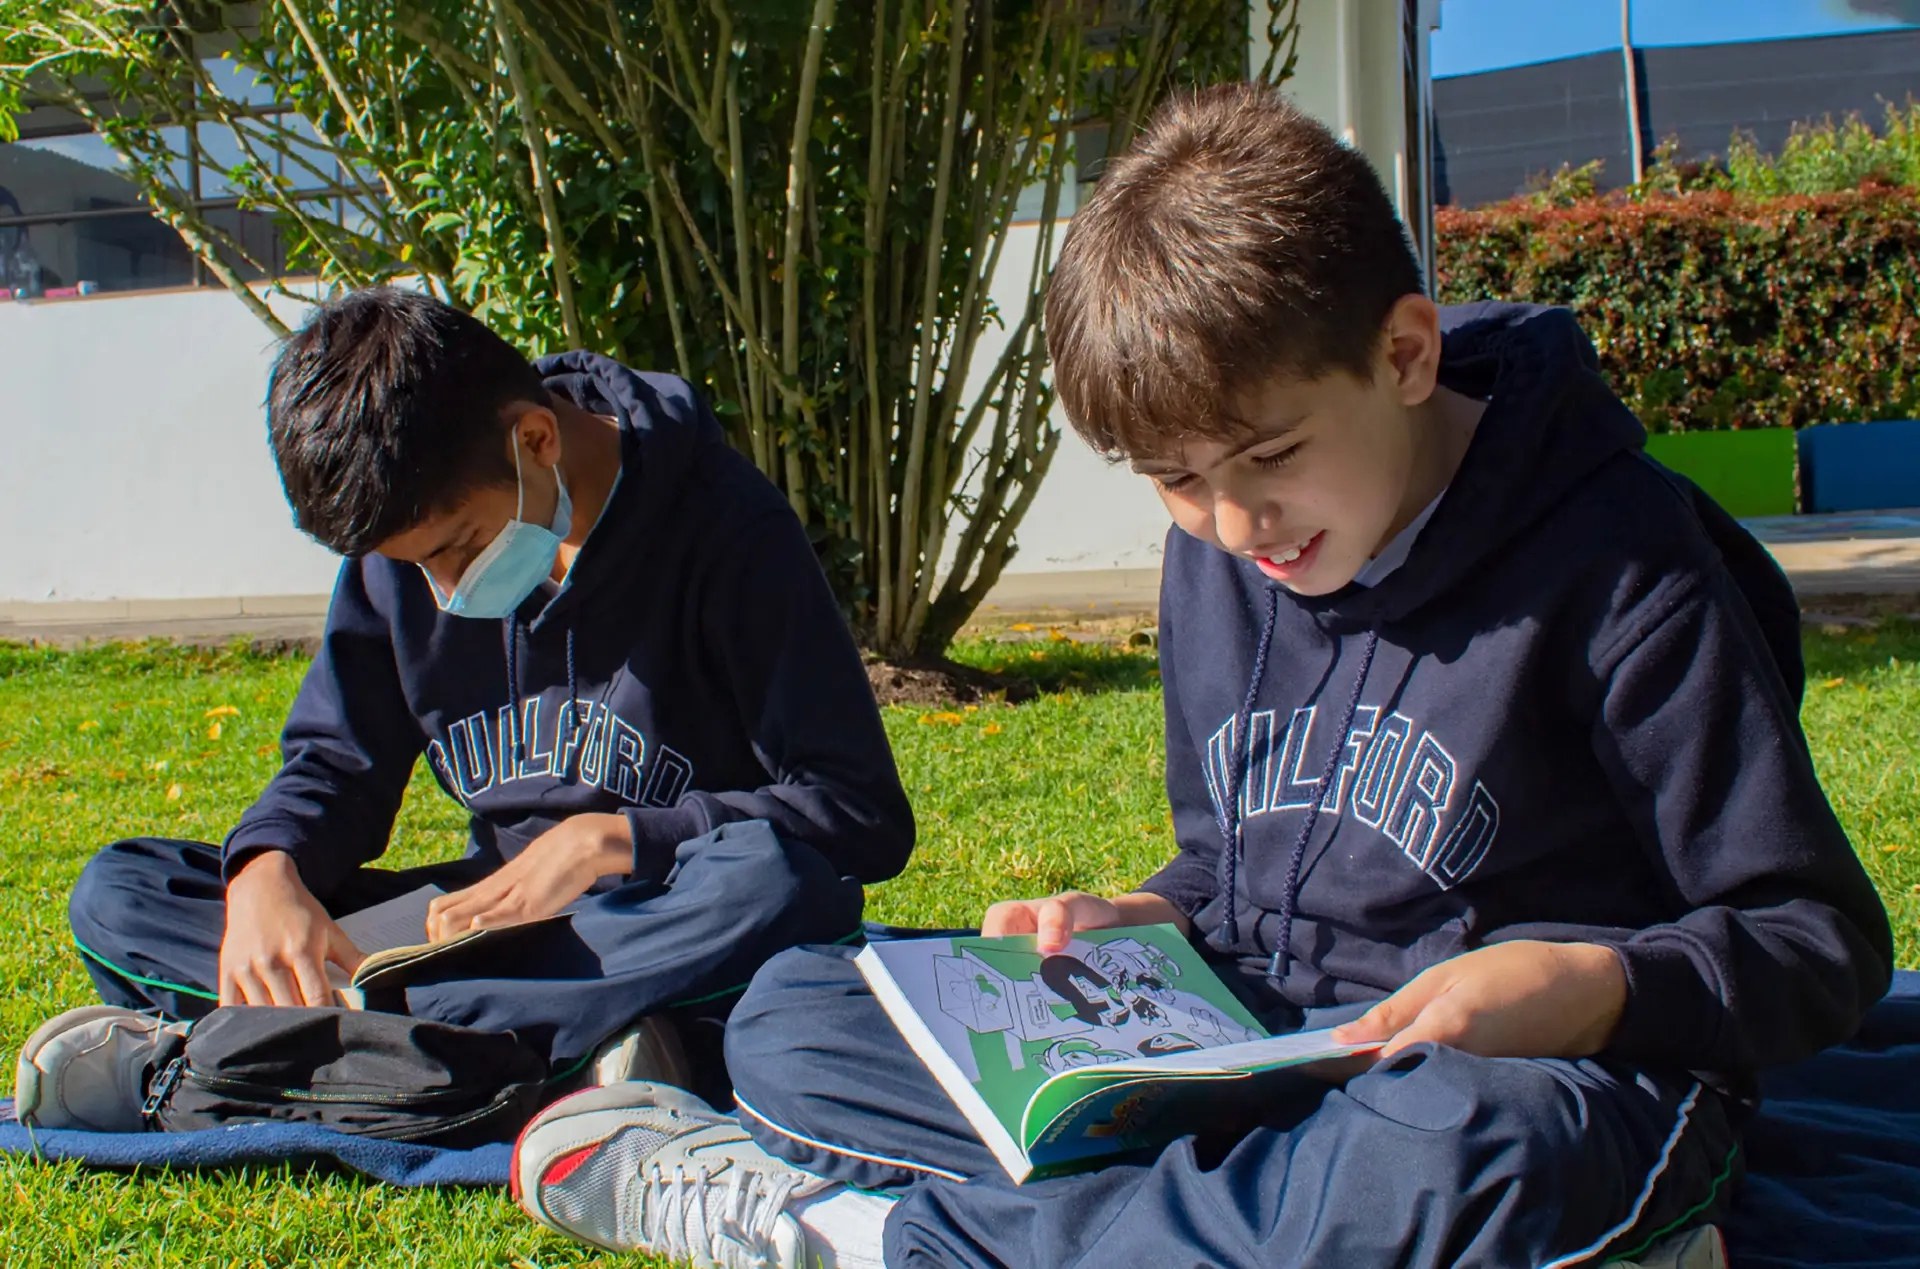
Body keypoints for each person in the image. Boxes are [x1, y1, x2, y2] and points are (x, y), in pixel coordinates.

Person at [501, 84, 1894, 1269]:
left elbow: (1811, 939)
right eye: (1176, 484)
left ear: (1404, 353)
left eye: (1271, 461)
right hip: (1246, 1051)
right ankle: (1241, 1227)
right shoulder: (1230, 552)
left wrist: (1585, 983)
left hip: (1513, 1075)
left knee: (1470, 1158)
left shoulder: (1625, 562)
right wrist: (1132, 914)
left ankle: (857, 1239)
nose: (1237, 529)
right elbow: (1229, 868)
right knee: (796, 1012)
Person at [15, 287, 914, 1130]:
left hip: (639, 921)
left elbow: (859, 815)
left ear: (535, 440)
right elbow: (336, 765)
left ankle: (297, 1056)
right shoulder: (402, 541)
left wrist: (618, 840)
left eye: (458, 549)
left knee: (778, 888)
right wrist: (269, 870)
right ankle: (528, 1063)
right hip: (475, 935)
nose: (438, 593)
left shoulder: (730, 531)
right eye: (411, 568)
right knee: (123, 890)